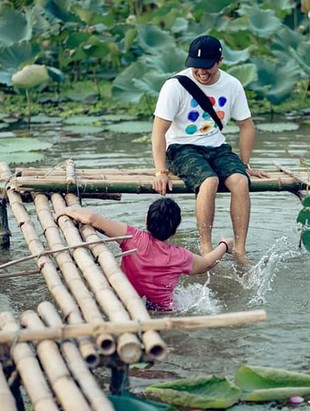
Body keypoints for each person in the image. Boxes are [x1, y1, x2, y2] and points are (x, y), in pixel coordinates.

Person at [151, 35, 269, 260]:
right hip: (181, 148)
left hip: (217, 147)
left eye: (207, 67)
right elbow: (158, 131)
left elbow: (246, 125)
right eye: (196, 67)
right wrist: (160, 171)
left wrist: (245, 164)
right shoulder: (174, 86)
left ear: (220, 61)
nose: (202, 72)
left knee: (241, 181)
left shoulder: (232, 85)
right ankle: (206, 247)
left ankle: (240, 249)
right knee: (210, 180)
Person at [59, 198, 233, 311]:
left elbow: (92, 218)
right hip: (163, 312)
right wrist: (224, 244)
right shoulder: (179, 256)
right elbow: (208, 263)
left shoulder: (132, 237)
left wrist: (67, 210)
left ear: (146, 220)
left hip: (126, 301)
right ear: (174, 230)